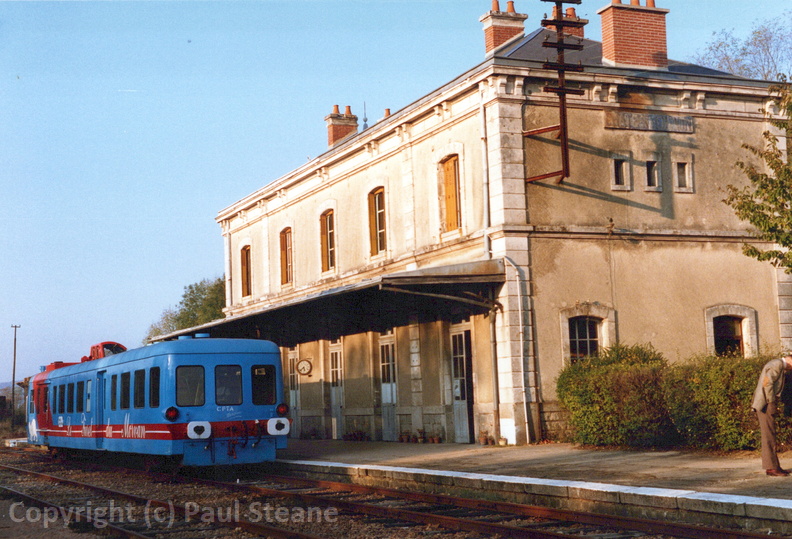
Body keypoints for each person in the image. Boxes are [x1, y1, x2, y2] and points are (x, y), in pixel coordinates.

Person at [752, 353, 792, 476]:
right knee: (768, 435)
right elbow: (767, 383)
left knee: (770, 434)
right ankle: (771, 468)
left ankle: (774, 466)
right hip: (765, 404)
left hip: (765, 403)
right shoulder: (777, 364)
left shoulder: (778, 365)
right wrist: (771, 401)